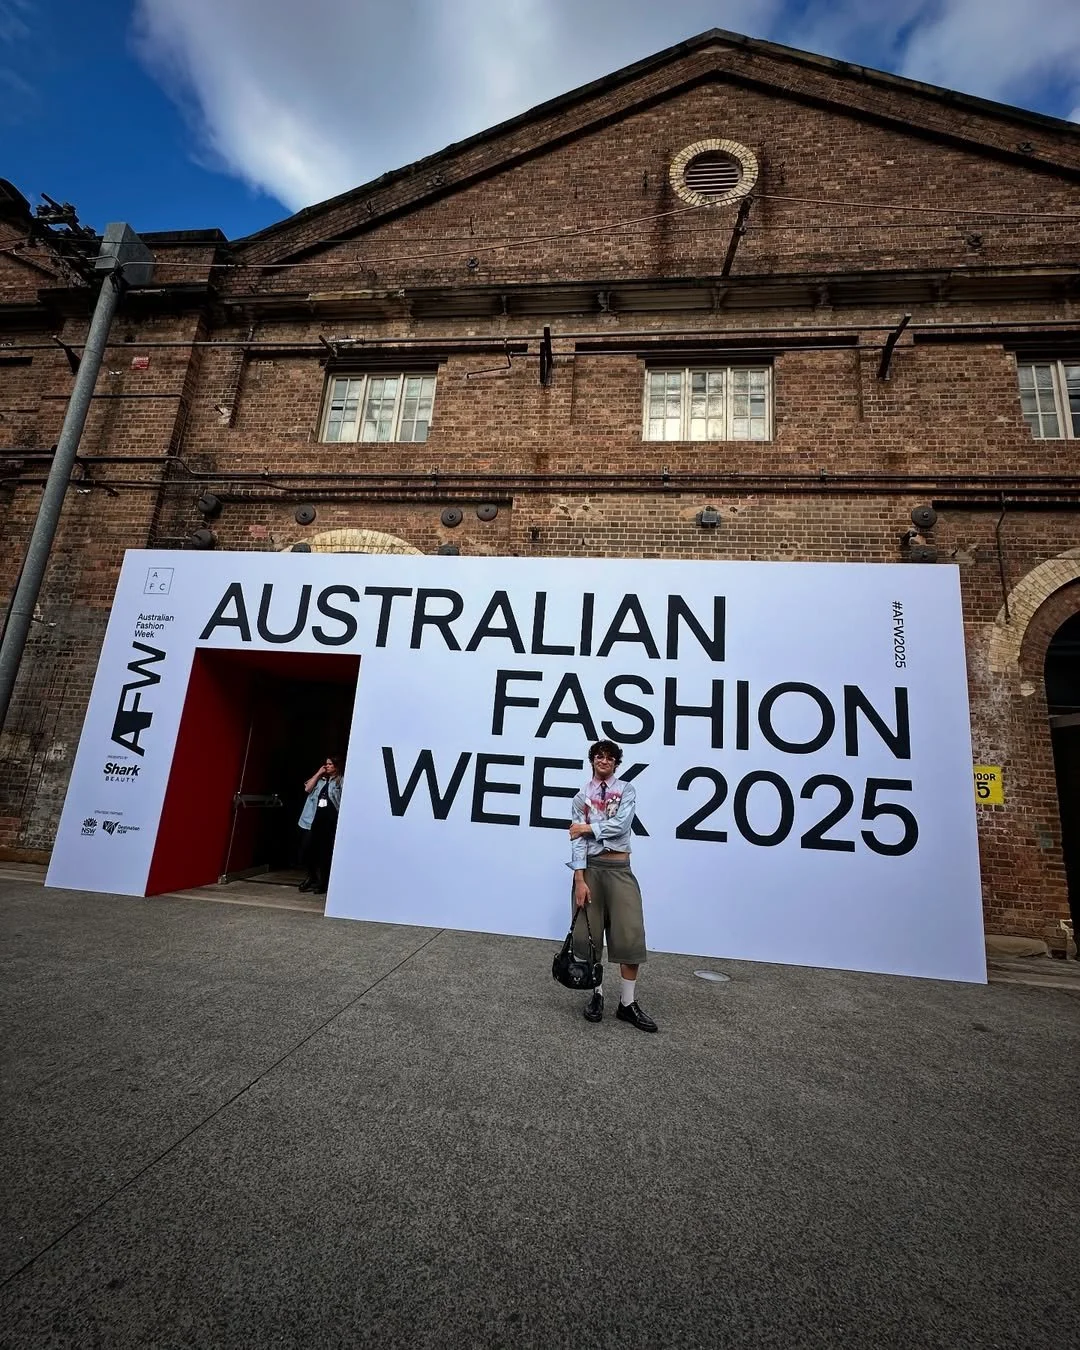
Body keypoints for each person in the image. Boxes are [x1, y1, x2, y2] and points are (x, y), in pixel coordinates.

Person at [567, 740, 657, 1032]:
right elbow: (577, 842)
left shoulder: (627, 790)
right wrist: (579, 879)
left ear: (616, 763)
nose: (603, 761)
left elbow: (622, 825)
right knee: (589, 937)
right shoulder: (581, 797)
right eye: (599, 756)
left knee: (629, 935)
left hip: (619, 870)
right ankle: (597, 995)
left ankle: (627, 1003)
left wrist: (588, 827)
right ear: (592, 760)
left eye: (609, 757)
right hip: (591, 871)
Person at [297, 752, 345, 895]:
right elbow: (307, 788)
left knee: (324, 853)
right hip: (311, 821)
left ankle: (323, 882)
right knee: (306, 851)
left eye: (330, 764)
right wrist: (318, 773)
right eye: (326, 764)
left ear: (337, 766)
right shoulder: (320, 780)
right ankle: (311, 876)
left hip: (328, 822)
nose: (327, 766)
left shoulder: (340, 780)